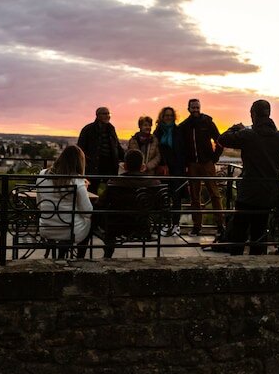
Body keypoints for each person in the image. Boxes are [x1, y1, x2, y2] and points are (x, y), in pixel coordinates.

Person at [217, 99, 279, 256]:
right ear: (269, 114)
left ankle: (235, 264)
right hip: (269, 193)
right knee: (259, 232)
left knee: (239, 230)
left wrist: (236, 128)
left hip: (248, 192)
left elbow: (222, 139)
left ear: (253, 114)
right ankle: (257, 263)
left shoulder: (248, 135)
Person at [96, 149, 164, 258]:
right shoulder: (154, 183)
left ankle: (108, 253)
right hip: (143, 226)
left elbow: (100, 204)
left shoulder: (114, 183)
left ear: (125, 166)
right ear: (142, 166)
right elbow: (160, 206)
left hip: (117, 226)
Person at [36, 145, 95, 257]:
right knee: (91, 221)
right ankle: (79, 259)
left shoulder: (42, 174)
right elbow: (87, 211)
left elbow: (39, 204)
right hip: (69, 230)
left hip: (46, 228)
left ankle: (61, 254)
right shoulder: (77, 180)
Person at [179, 98, 225, 236]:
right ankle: (197, 226)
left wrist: (214, 158)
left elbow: (220, 140)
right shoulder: (184, 126)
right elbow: (181, 147)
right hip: (192, 164)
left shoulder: (208, 122)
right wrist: (186, 163)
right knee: (194, 197)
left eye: (197, 107)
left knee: (215, 194)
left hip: (207, 163)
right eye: (193, 107)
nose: (195, 110)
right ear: (188, 109)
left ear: (200, 107)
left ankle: (220, 225)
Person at [77, 107, 125, 193]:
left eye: (108, 114)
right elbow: (80, 149)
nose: (107, 116)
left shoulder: (111, 128)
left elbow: (116, 146)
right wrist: (87, 162)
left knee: (109, 191)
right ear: (98, 115)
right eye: (105, 114)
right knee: (92, 190)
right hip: (94, 167)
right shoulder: (88, 129)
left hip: (109, 166)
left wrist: (126, 158)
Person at [153, 106, 184, 236]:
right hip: (162, 168)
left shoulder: (178, 131)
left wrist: (183, 166)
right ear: (162, 117)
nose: (169, 117)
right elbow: (155, 150)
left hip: (177, 167)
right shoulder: (158, 132)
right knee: (164, 197)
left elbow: (184, 149)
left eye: (171, 115)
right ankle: (165, 223)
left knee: (176, 197)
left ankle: (176, 225)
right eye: (166, 115)